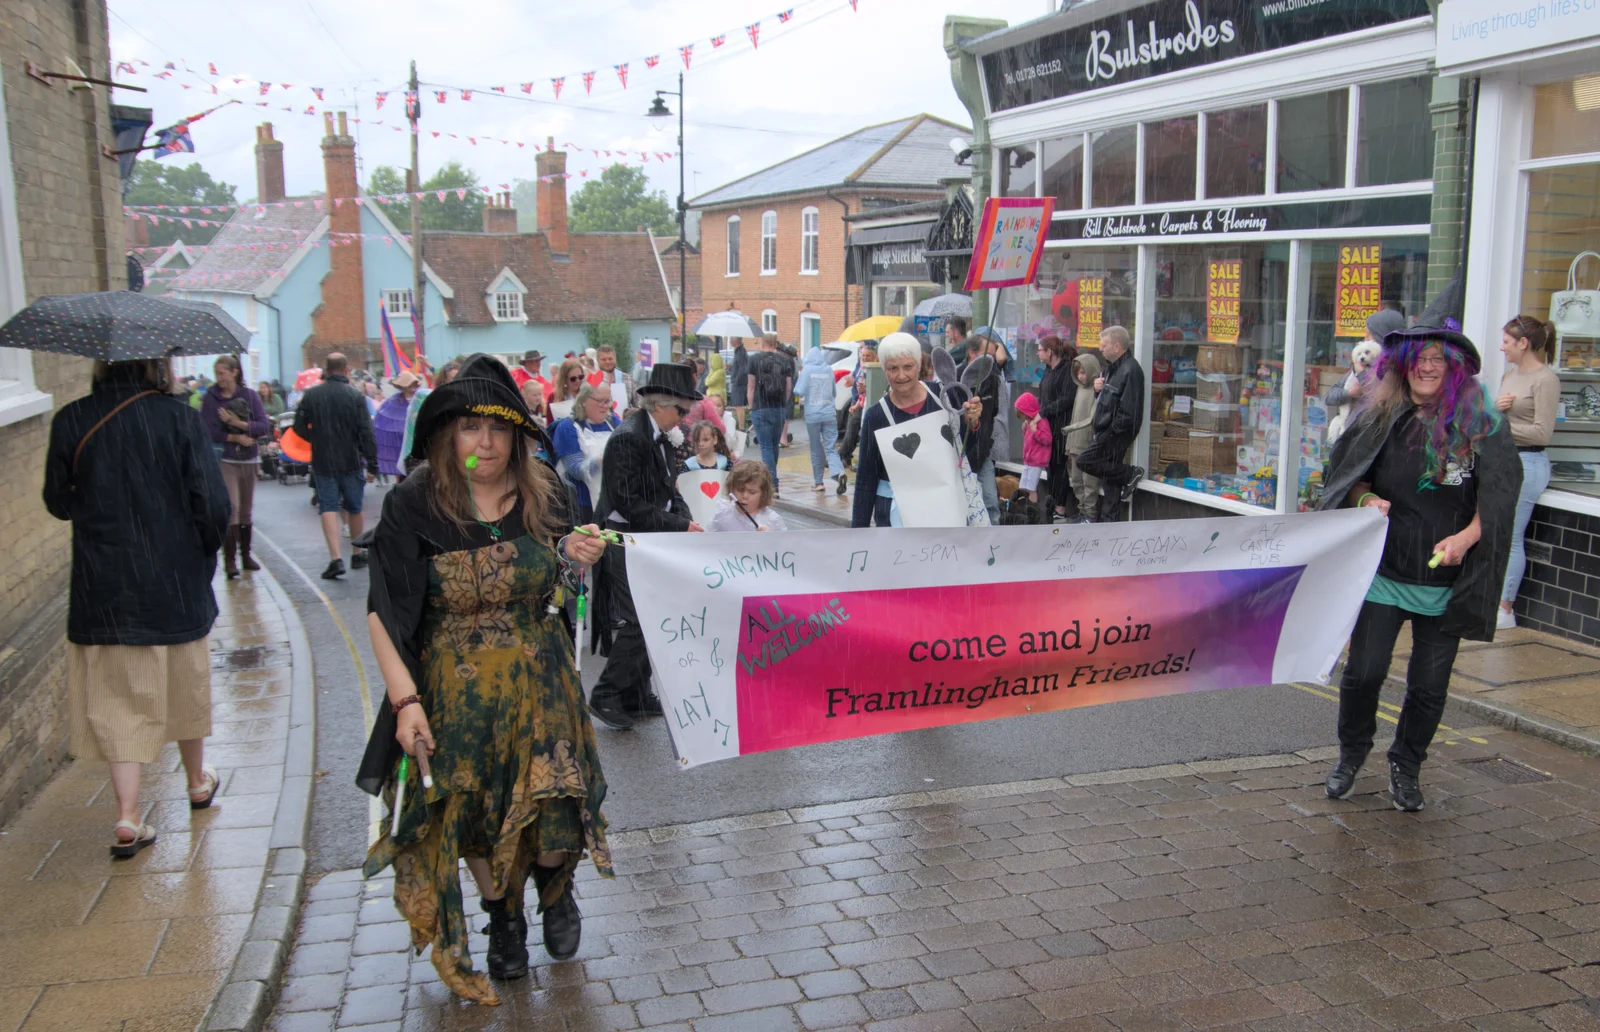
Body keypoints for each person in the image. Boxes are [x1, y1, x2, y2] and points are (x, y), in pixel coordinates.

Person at [357, 354, 611, 1003]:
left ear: (519, 436)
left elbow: (560, 594)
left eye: (499, 429)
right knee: (472, 811)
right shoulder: (414, 502)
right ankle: (503, 918)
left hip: (542, 680)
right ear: (448, 435)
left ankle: (555, 887)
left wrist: (571, 559)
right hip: (455, 691)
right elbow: (385, 611)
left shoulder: (546, 490)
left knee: (554, 798)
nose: (487, 443)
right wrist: (405, 702)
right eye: (471, 428)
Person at [1319, 320, 1520, 812]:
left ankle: (1406, 765)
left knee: (1429, 687)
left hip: (1447, 580)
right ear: (1403, 365)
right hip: (1385, 571)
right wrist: (1366, 499)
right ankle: (1351, 754)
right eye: (1420, 358)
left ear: (1454, 369)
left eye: (1439, 359)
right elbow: (1346, 477)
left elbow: (1497, 498)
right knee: (1364, 673)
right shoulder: (1379, 416)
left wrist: (1467, 537)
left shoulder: (1482, 425)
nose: (1428, 367)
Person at [43, 357, 230, 857]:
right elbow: (212, 505)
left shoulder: (72, 419)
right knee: (184, 686)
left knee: (118, 699)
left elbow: (57, 502)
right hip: (173, 580)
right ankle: (196, 782)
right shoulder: (179, 417)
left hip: (104, 586)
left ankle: (127, 817)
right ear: (154, 365)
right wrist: (201, 552)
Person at [589, 363, 704, 729]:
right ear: (659, 404)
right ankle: (606, 694)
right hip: (623, 539)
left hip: (647, 537)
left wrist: (685, 517)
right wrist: (679, 523)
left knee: (653, 616)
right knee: (641, 619)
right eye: (681, 410)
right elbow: (626, 501)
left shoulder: (659, 435)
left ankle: (636, 692)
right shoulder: (629, 437)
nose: (685, 419)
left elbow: (670, 490)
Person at [851, 333, 982, 528]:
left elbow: (968, 453)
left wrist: (973, 424)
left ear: (919, 365)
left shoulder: (944, 397)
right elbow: (865, 480)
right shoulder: (875, 417)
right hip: (896, 519)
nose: (901, 375)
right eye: (893, 368)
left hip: (946, 512)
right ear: (884, 369)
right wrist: (857, 535)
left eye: (908, 367)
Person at [1496, 315, 1561, 630]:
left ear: (1524, 343)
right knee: (1496, 531)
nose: (1502, 347)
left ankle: (1505, 608)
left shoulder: (1546, 380)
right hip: (1505, 459)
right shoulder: (1510, 373)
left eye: (1507, 341)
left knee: (1511, 535)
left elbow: (1541, 434)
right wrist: (1497, 411)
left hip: (1529, 463)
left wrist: (1501, 423)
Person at [293, 352, 379, 579]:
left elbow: (298, 427)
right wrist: (372, 464)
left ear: (326, 370)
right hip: (351, 459)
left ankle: (335, 558)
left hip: (323, 460)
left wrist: (317, 438)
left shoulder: (311, 395)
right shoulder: (355, 396)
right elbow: (365, 432)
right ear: (345, 370)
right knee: (355, 507)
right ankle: (357, 552)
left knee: (328, 507)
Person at [199, 355, 272, 578]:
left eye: (222, 373)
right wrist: (234, 437)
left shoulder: (249, 396)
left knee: (246, 510)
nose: (219, 378)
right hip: (226, 458)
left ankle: (246, 555)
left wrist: (239, 424)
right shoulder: (211, 398)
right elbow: (207, 430)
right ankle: (230, 560)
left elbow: (263, 425)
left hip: (249, 458)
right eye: (217, 373)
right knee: (231, 507)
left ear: (234, 373)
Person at [1077, 325, 1146, 522]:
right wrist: (1099, 391)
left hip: (1115, 433)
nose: (1101, 348)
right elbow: (1109, 402)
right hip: (1107, 430)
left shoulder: (1131, 370)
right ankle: (1110, 523)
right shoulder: (1112, 369)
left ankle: (1129, 473)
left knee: (1085, 461)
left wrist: (1111, 432)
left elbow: (1128, 411)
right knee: (1109, 481)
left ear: (1117, 346)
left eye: (1104, 345)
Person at [552, 381, 620, 525]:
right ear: (583, 401)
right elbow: (577, 470)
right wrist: (603, 460)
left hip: (615, 501)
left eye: (607, 401)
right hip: (583, 505)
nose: (605, 405)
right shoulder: (567, 427)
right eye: (599, 401)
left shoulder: (613, 422)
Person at [1036, 336, 1079, 522]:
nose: (1037, 353)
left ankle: (1060, 509)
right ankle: (1052, 504)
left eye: (1040, 349)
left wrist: (1044, 411)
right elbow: (1043, 395)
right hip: (1047, 425)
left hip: (1061, 425)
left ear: (1049, 352)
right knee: (1050, 465)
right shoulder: (1048, 370)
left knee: (1060, 466)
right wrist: (1035, 415)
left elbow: (1066, 399)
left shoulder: (1067, 369)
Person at [745, 334, 794, 489]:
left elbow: (751, 386)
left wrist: (751, 406)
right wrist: (783, 403)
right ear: (775, 344)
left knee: (765, 446)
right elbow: (788, 387)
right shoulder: (785, 361)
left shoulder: (754, 360)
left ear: (762, 343)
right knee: (773, 446)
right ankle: (772, 477)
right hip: (778, 407)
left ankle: (772, 483)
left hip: (760, 406)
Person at [800, 343, 849, 495]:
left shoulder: (807, 370)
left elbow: (799, 390)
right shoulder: (828, 369)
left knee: (815, 448)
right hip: (829, 414)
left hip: (813, 415)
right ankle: (839, 472)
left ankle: (819, 482)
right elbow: (834, 392)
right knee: (831, 447)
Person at [1062, 351, 1103, 523]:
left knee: (1089, 482)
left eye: (1083, 372)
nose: (1080, 376)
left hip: (1088, 442)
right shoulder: (1079, 388)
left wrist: (1070, 429)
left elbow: (1091, 418)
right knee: (1077, 480)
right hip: (1075, 440)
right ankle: (1081, 511)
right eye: (1078, 372)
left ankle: (1090, 513)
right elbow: (1075, 414)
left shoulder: (1097, 389)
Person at [711, 460, 788, 532]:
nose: (745, 496)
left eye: (752, 492)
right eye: (740, 490)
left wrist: (769, 539)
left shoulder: (772, 520)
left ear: (763, 494)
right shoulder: (722, 517)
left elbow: (784, 544)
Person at [376, 370, 422, 485]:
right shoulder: (393, 402)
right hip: (400, 446)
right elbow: (383, 420)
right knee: (404, 479)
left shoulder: (421, 398)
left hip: (419, 445)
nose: (411, 387)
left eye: (413, 384)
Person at [839, 342, 877, 470]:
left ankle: (844, 456)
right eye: (863, 355)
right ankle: (845, 457)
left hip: (865, 402)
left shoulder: (874, 369)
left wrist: (856, 384)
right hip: (857, 400)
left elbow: (870, 388)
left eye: (868, 355)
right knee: (852, 428)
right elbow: (857, 381)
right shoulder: (860, 365)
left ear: (875, 357)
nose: (865, 358)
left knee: (854, 428)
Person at [1014, 392, 1052, 506]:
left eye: (1025, 414)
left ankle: (1032, 509)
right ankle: (1024, 508)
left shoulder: (1041, 421)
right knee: (1023, 487)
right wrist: (1025, 430)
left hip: (1036, 461)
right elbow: (1029, 440)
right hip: (1029, 460)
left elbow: (1047, 439)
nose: (1025, 417)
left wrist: (1035, 431)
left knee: (1031, 488)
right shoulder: (1030, 421)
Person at [586, 344, 636, 412]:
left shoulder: (628, 378)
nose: (607, 362)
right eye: (603, 359)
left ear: (615, 359)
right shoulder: (592, 382)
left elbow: (637, 403)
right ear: (597, 361)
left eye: (610, 358)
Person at [727, 338, 750, 428]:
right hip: (740, 382)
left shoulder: (740, 353)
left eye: (732, 338)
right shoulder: (739, 352)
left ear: (736, 340)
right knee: (738, 406)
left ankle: (741, 427)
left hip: (739, 384)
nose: (730, 340)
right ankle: (741, 426)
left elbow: (743, 369)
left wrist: (736, 380)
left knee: (738, 406)